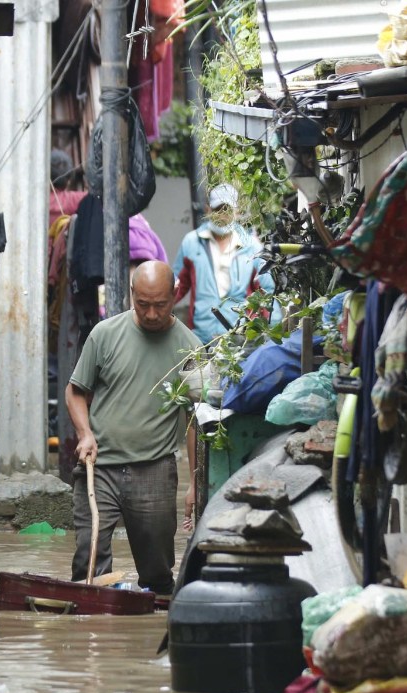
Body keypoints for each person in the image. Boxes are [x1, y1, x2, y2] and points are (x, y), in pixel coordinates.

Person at [66, 261, 200, 595]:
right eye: (142, 304)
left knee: (157, 572)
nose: (152, 314)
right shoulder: (105, 334)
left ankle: (148, 634)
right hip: (100, 468)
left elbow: (195, 419)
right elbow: (76, 391)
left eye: (160, 304)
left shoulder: (190, 347)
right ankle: (93, 638)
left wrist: (195, 482)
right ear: (131, 296)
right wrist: (85, 433)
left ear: (174, 296)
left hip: (154, 469)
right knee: (89, 561)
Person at [173, 182, 274, 344]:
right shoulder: (192, 242)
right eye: (217, 209)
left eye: (227, 209)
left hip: (242, 336)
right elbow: (177, 285)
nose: (222, 215)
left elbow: (267, 291)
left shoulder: (252, 246)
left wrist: (271, 334)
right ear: (208, 210)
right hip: (201, 336)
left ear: (237, 211)